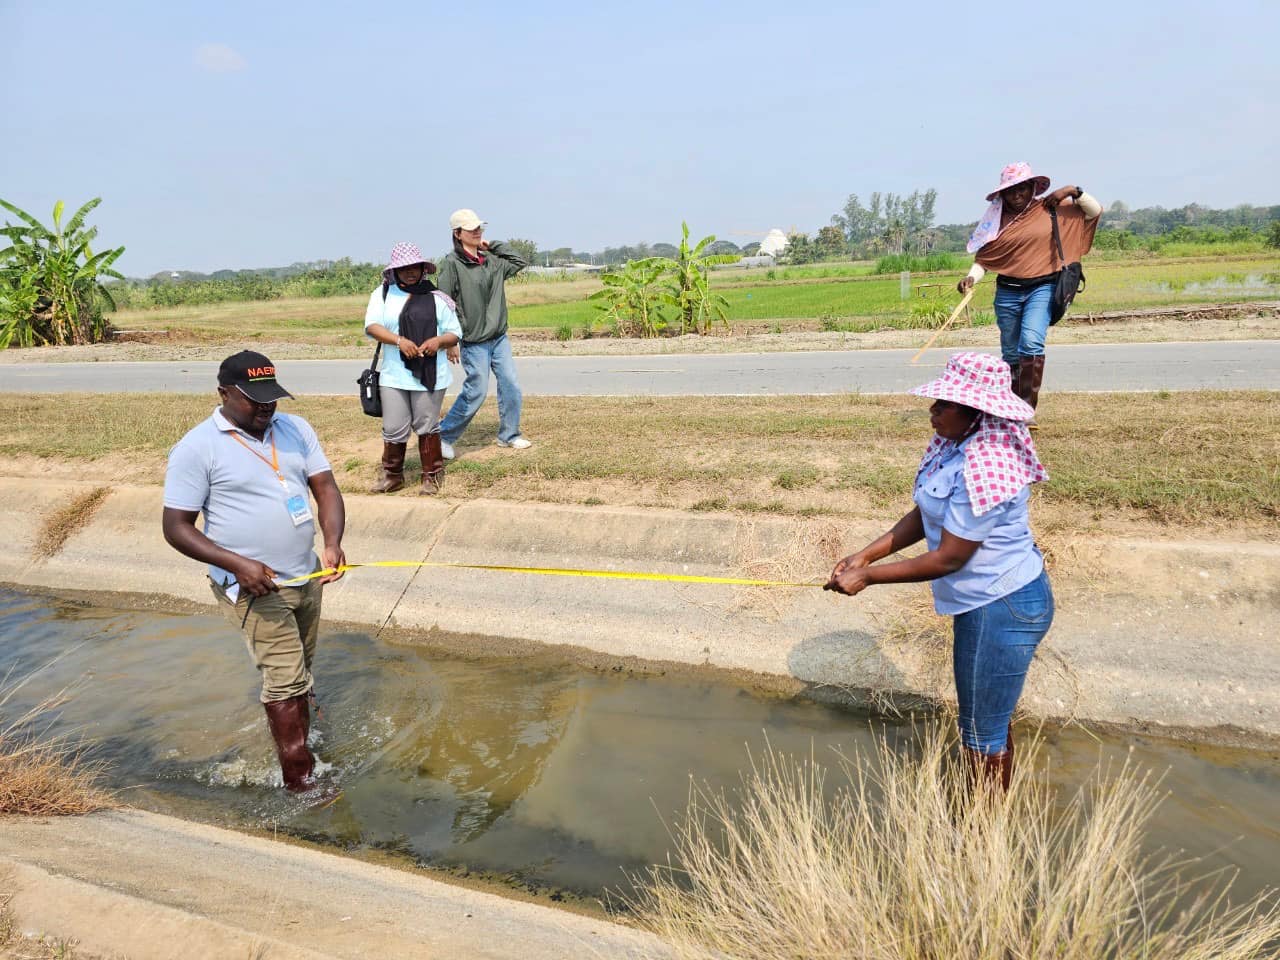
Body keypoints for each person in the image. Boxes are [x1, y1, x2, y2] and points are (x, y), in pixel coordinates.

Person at [825, 351, 1052, 792]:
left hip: (1000, 606)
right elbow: (926, 512)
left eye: (944, 404)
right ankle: (996, 810)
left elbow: (949, 557)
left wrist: (868, 578)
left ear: (977, 412)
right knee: (989, 718)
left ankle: (980, 823)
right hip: (991, 603)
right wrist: (865, 556)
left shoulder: (987, 464)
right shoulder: (957, 445)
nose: (932, 410)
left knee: (980, 734)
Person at [162, 351, 346, 793]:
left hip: (305, 576)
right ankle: (300, 783)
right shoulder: (197, 447)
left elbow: (325, 488)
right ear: (223, 393)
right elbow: (176, 528)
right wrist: (238, 564)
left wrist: (332, 542)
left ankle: (300, 742)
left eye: (272, 397)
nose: (266, 407)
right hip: (251, 586)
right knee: (285, 679)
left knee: (299, 670)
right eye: (254, 399)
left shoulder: (295, 429)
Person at [957, 162, 1101, 414]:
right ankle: (1011, 408)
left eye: (1022, 188)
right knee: (1011, 352)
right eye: (1010, 191)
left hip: (1042, 288)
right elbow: (986, 259)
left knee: (1031, 343)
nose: (1016, 195)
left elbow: (1094, 210)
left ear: (1033, 187)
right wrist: (970, 278)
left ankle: (1025, 410)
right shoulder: (995, 223)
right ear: (1002, 194)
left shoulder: (1051, 208)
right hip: (1007, 292)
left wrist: (1071, 190)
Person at [363, 242, 463, 495]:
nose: (410, 272)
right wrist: (399, 341)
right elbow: (372, 326)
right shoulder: (383, 294)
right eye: (404, 268)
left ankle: (432, 476)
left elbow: (454, 333)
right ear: (394, 271)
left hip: (430, 373)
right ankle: (392, 476)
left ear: (422, 269)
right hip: (393, 375)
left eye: (414, 267)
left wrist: (438, 342)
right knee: (393, 426)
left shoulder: (437, 298)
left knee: (426, 424)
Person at [434, 208, 532, 458]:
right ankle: (443, 436)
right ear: (457, 234)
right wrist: (450, 340)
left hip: (498, 337)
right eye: (471, 229)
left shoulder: (492, 260)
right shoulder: (452, 264)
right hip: (473, 340)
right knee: (476, 391)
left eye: (479, 227)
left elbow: (520, 261)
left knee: (511, 384)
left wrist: (494, 246)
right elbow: (443, 302)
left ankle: (509, 435)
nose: (477, 231)